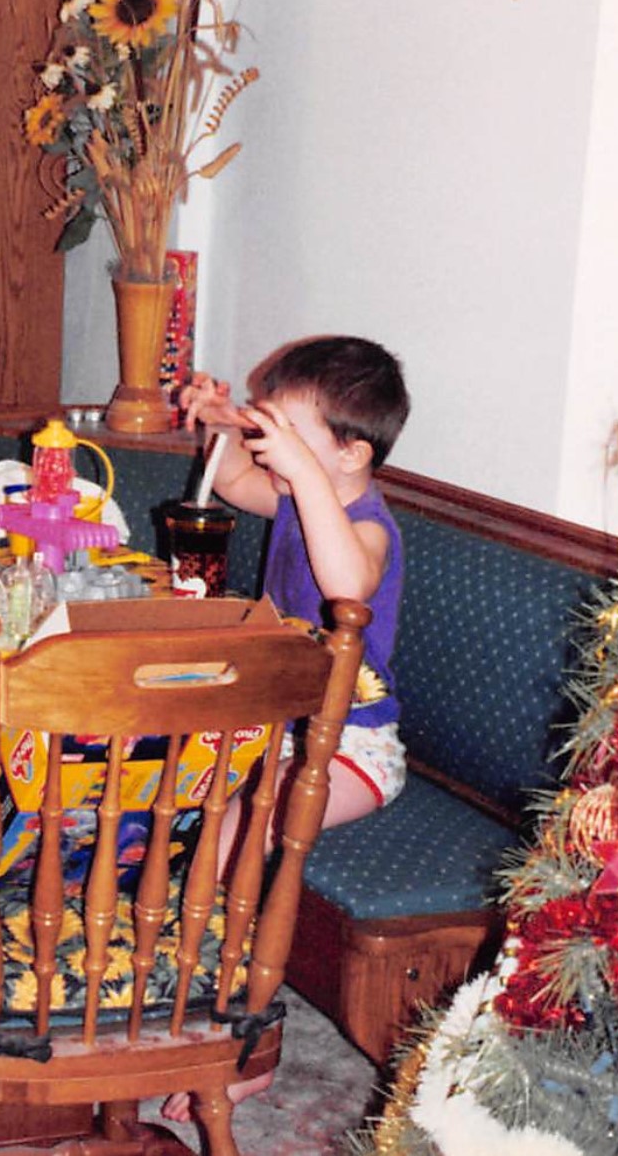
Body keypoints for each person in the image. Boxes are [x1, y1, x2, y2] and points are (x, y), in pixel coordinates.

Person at [159, 334, 409, 1125]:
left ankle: (250, 1045)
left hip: (354, 748)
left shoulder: (365, 527)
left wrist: (300, 473)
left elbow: (348, 583)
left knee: (237, 843)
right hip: (280, 729)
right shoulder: (303, 496)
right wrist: (221, 423)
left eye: (291, 434)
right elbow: (237, 481)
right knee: (153, 790)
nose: (277, 450)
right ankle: (163, 1003)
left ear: (352, 454)